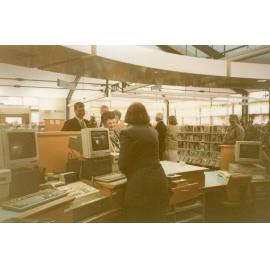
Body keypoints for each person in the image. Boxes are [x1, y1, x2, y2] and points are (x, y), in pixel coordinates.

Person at [118, 102, 170, 222]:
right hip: (159, 182)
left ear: (129, 115)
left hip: (140, 188)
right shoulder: (152, 131)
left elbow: (123, 164)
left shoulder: (127, 132)